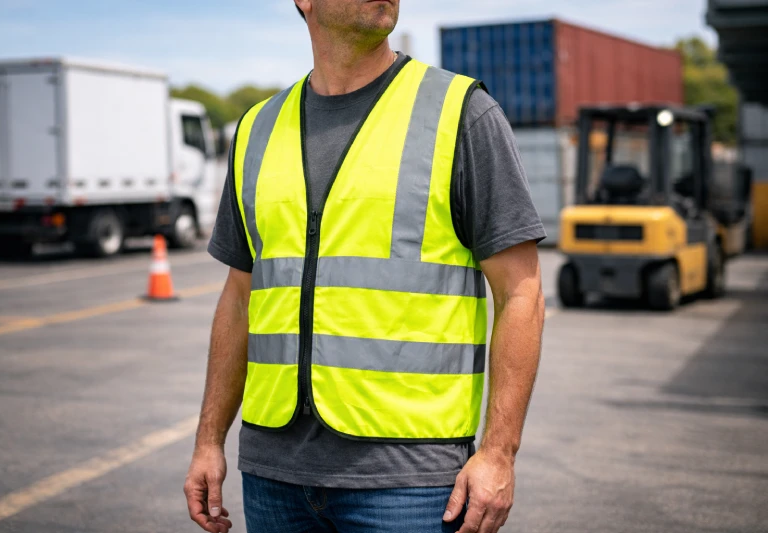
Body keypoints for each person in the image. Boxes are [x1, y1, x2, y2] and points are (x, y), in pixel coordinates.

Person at [184, 1, 546, 532]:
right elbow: (240, 297)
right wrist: (208, 440)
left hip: (411, 484)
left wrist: (499, 453)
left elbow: (523, 294)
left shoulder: (460, 112)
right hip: (271, 476)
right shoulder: (257, 130)